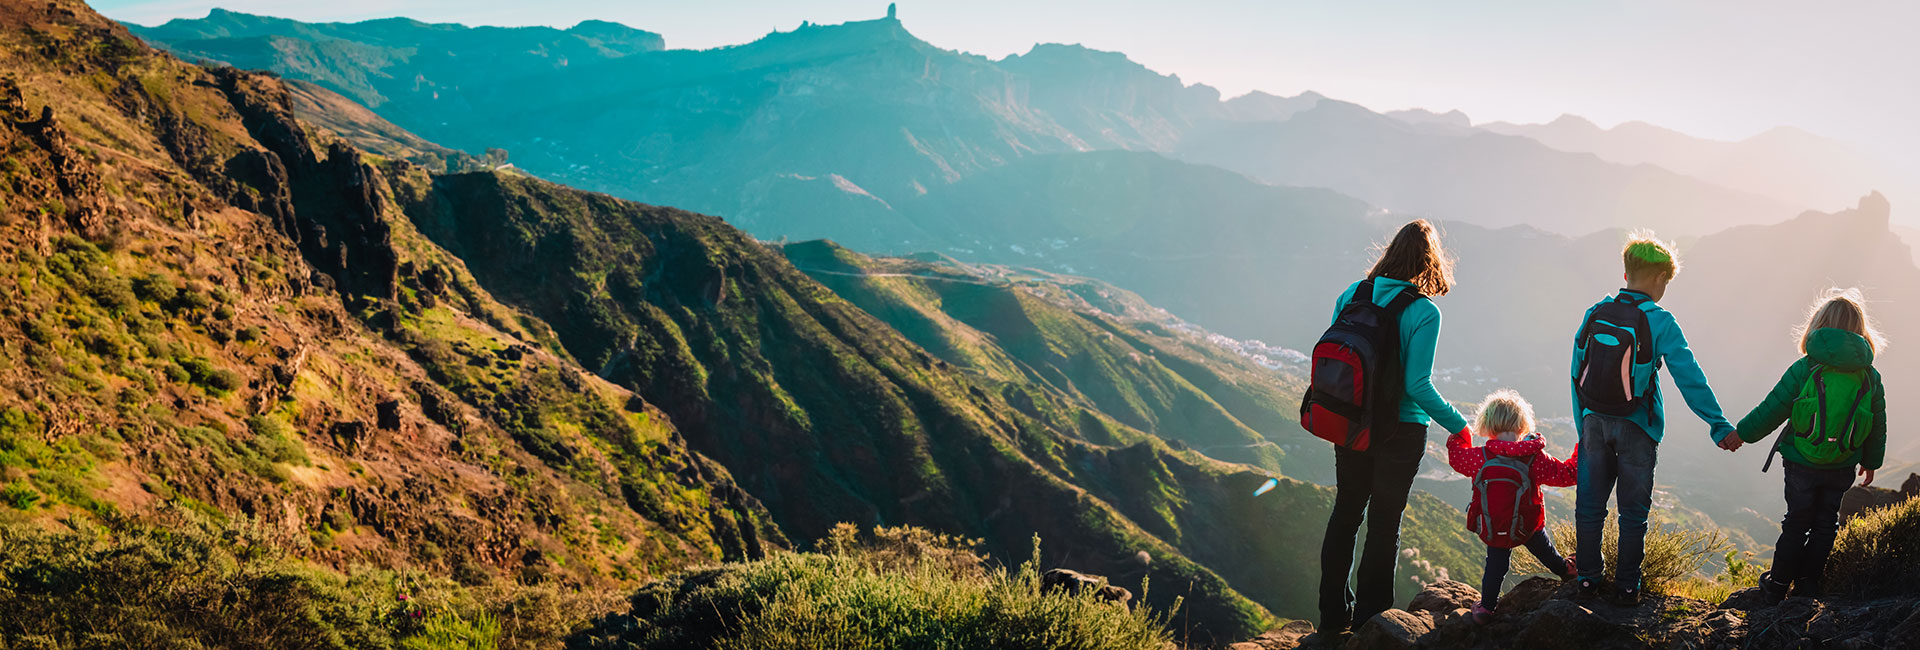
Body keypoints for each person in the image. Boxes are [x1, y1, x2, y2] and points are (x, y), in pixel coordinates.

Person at [1569, 232, 1739, 606]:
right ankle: (1628, 587)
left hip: (1594, 422)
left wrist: (1584, 425)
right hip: (1638, 427)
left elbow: (1575, 370)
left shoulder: (1596, 312)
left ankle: (1586, 580)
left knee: (1589, 508)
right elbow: (1689, 376)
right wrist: (1718, 423)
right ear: (1660, 278)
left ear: (1627, 271)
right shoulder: (1660, 320)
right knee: (1632, 515)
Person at [1318, 220, 1472, 634]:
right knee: (1384, 523)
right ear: (1429, 262)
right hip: (1399, 431)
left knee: (1346, 512)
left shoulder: (1352, 294)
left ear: (1389, 252)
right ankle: (1372, 624)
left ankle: (1332, 618)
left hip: (1349, 421)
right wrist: (1458, 426)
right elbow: (1416, 385)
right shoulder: (1423, 312)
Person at [1728, 289, 1888, 602]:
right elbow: (1877, 423)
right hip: (1842, 463)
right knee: (1826, 523)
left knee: (1797, 521)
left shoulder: (1805, 367)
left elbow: (1772, 408)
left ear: (1818, 326)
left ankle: (1776, 586)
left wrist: (1741, 434)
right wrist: (1872, 462)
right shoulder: (1869, 375)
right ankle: (1807, 586)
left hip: (1801, 461)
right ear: (1861, 330)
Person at [1445, 390, 1579, 624]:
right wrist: (1582, 449)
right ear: (1522, 424)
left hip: (1493, 525)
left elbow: (1456, 457)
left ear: (1488, 424)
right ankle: (1566, 570)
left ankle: (1486, 608)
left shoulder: (1481, 457)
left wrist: (1460, 434)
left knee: (1495, 564)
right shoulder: (1534, 458)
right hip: (1528, 525)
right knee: (1545, 550)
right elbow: (1568, 475)